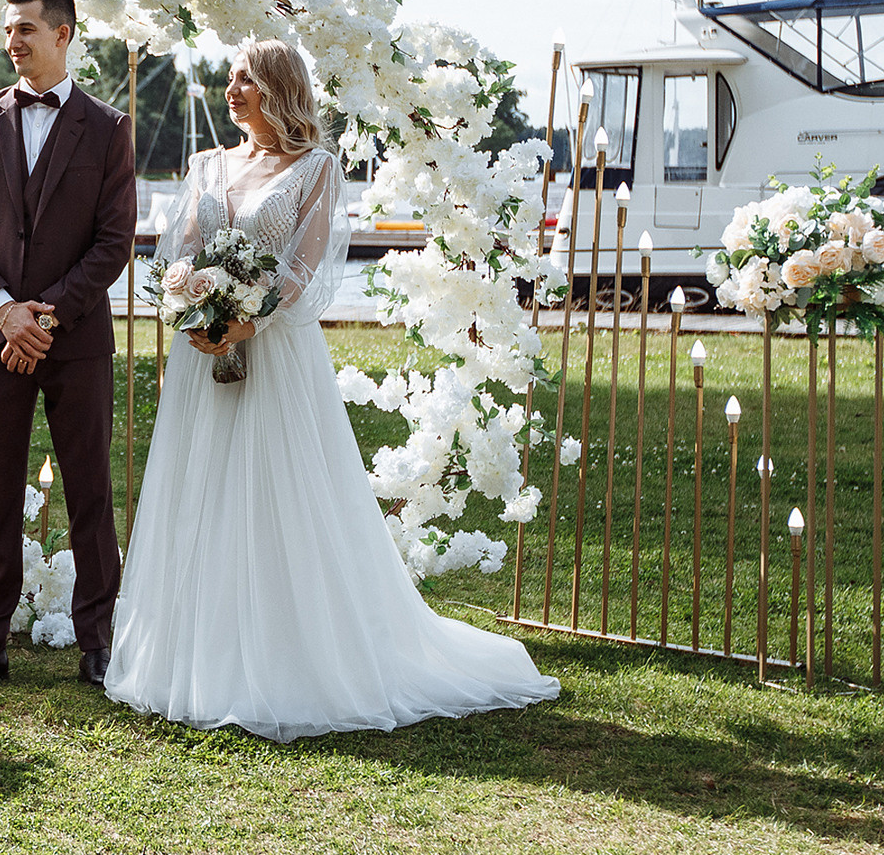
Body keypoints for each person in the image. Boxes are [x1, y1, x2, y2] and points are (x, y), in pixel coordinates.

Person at [104, 39, 560, 740]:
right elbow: (181, 251)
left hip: (275, 350)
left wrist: (248, 320)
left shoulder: (315, 168)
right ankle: (196, 652)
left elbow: (304, 267)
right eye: (231, 78)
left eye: (246, 79)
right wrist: (191, 299)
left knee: (278, 489)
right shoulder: (207, 165)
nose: (232, 89)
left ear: (279, 88)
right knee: (202, 486)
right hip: (203, 349)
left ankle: (292, 653)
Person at [0, 0, 137, 691]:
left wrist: (46, 314)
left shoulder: (107, 128)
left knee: (89, 490)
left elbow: (113, 241)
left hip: (74, 339)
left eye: (25, 29)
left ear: (62, 34)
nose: (12, 42)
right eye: (8, 30)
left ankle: (97, 642)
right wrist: (5, 310)